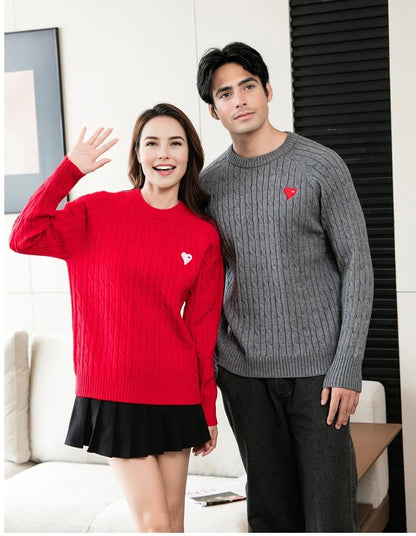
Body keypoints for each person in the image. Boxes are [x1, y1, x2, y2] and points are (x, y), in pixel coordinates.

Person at [9, 103, 224, 533]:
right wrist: (70, 170)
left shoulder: (202, 234)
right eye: (152, 143)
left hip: (176, 393)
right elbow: (24, 235)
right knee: (155, 524)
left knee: (174, 522)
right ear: (139, 155)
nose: (164, 153)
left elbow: (203, 330)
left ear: (189, 155)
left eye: (175, 143)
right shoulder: (95, 213)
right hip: (115, 390)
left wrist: (207, 409)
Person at [196, 42, 374, 532]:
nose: (240, 99)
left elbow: (357, 265)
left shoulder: (320, 165)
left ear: (268, 89)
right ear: (214, 110)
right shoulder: (209, 186)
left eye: (248, 86)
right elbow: (203, 281)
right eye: (225, 93)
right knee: (270, 516)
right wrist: (213, 364)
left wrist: (346, 365)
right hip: (242, 374)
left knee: (329, 514)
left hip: (320, 375)